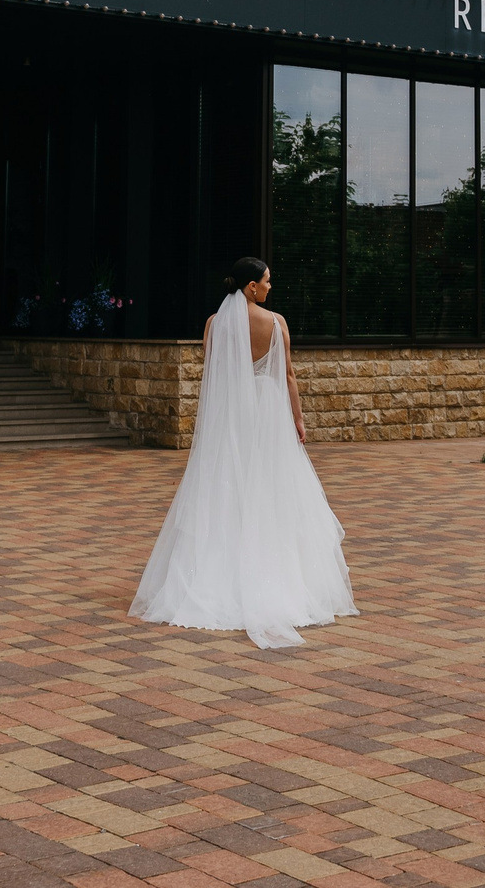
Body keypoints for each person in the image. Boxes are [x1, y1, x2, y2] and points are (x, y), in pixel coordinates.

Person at [130, 256, 356, 649]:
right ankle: (276, 577)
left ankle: (218, 576)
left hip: (232, 413)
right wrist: (298, 420)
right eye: (267, 281)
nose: (271, 287)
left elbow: (213, 369)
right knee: (270, 490)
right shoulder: (276, 323)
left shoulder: (215, 324)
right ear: (252, 286)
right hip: (268, 413)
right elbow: (287, 374)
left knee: (227, 488)